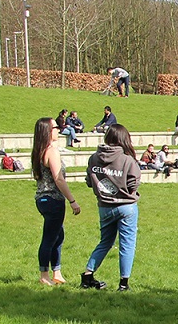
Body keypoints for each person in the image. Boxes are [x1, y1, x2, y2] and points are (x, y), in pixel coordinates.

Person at [81, 124, 141, 292]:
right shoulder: (128, 160)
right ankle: (123, 283)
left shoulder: (94, 158)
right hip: (126, 207)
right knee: (127, 245)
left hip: (104, 207)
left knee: (105, 242)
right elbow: (133, 184)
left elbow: (88, 181)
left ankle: (87, 275)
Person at [32, 117, 81, 286]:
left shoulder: (38, 150)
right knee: (50, 237)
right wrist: (72, 200)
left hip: (42, 199)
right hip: (53, 199)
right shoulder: (51, 151)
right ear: (47, 131)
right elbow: (59, 179)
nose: (59, 130)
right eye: (55, 127)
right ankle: (44, 275)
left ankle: (57, 272)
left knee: (58, 235)